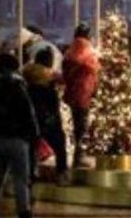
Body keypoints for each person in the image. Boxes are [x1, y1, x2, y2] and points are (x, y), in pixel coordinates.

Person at [0, 52, 46, 218]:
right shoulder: (17, 85)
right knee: (20, 177)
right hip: (16, 137)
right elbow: (27, 112)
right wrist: (34, 135)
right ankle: (24, 216)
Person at [23, 47, 69, 184]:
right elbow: (53, 106)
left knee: (31, 148)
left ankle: (30, 174)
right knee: (60, 146)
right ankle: (61, 174)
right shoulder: (48, 81)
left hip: (31, 120)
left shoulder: (28, 78)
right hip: (48, 121)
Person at [62, 23, 100, 169]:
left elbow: (65, 74)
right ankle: (79, 158)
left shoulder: (69, 51)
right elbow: (96, 71)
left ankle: (77, 157)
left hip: (72, 93)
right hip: (84, 92)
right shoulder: (89, 52)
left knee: (77, 125)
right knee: (82, 126)